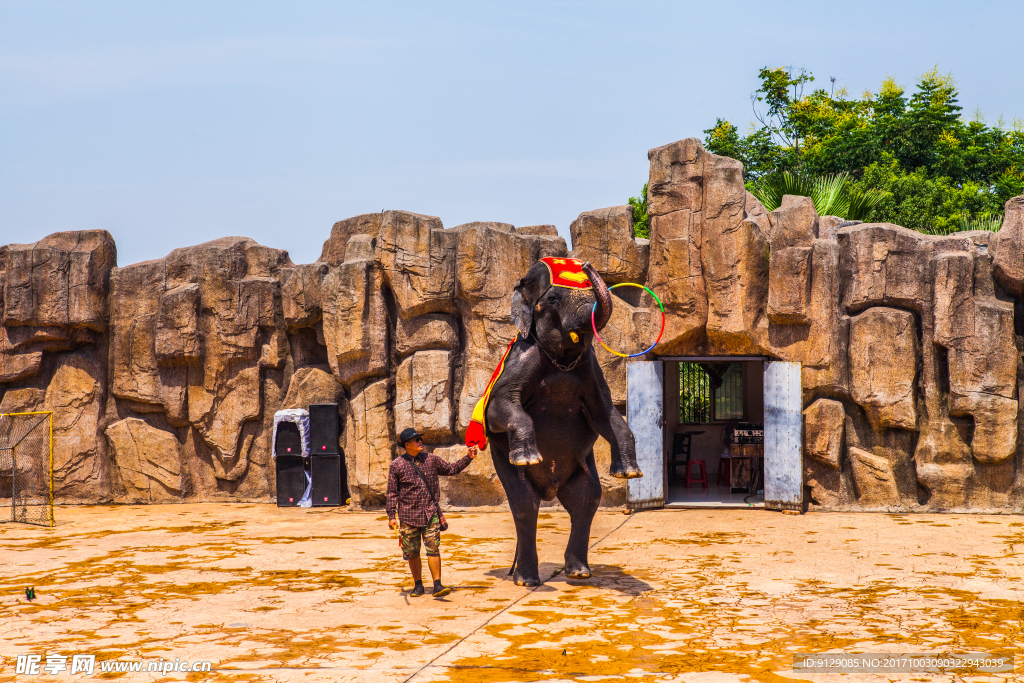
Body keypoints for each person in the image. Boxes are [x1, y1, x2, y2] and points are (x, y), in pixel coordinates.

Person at [386, 427, 476, 598]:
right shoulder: (397, 465)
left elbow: (451, 469)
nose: (420, 441)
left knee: (433, 549)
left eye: (420, 438)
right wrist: (392, 516)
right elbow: (391, 492)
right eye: (416, 439)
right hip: (408, 517)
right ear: (407, 444)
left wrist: (468, 457)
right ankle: (418, 585)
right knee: (412, 552)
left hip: (430, 513)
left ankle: (437, 584)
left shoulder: (431, 459)